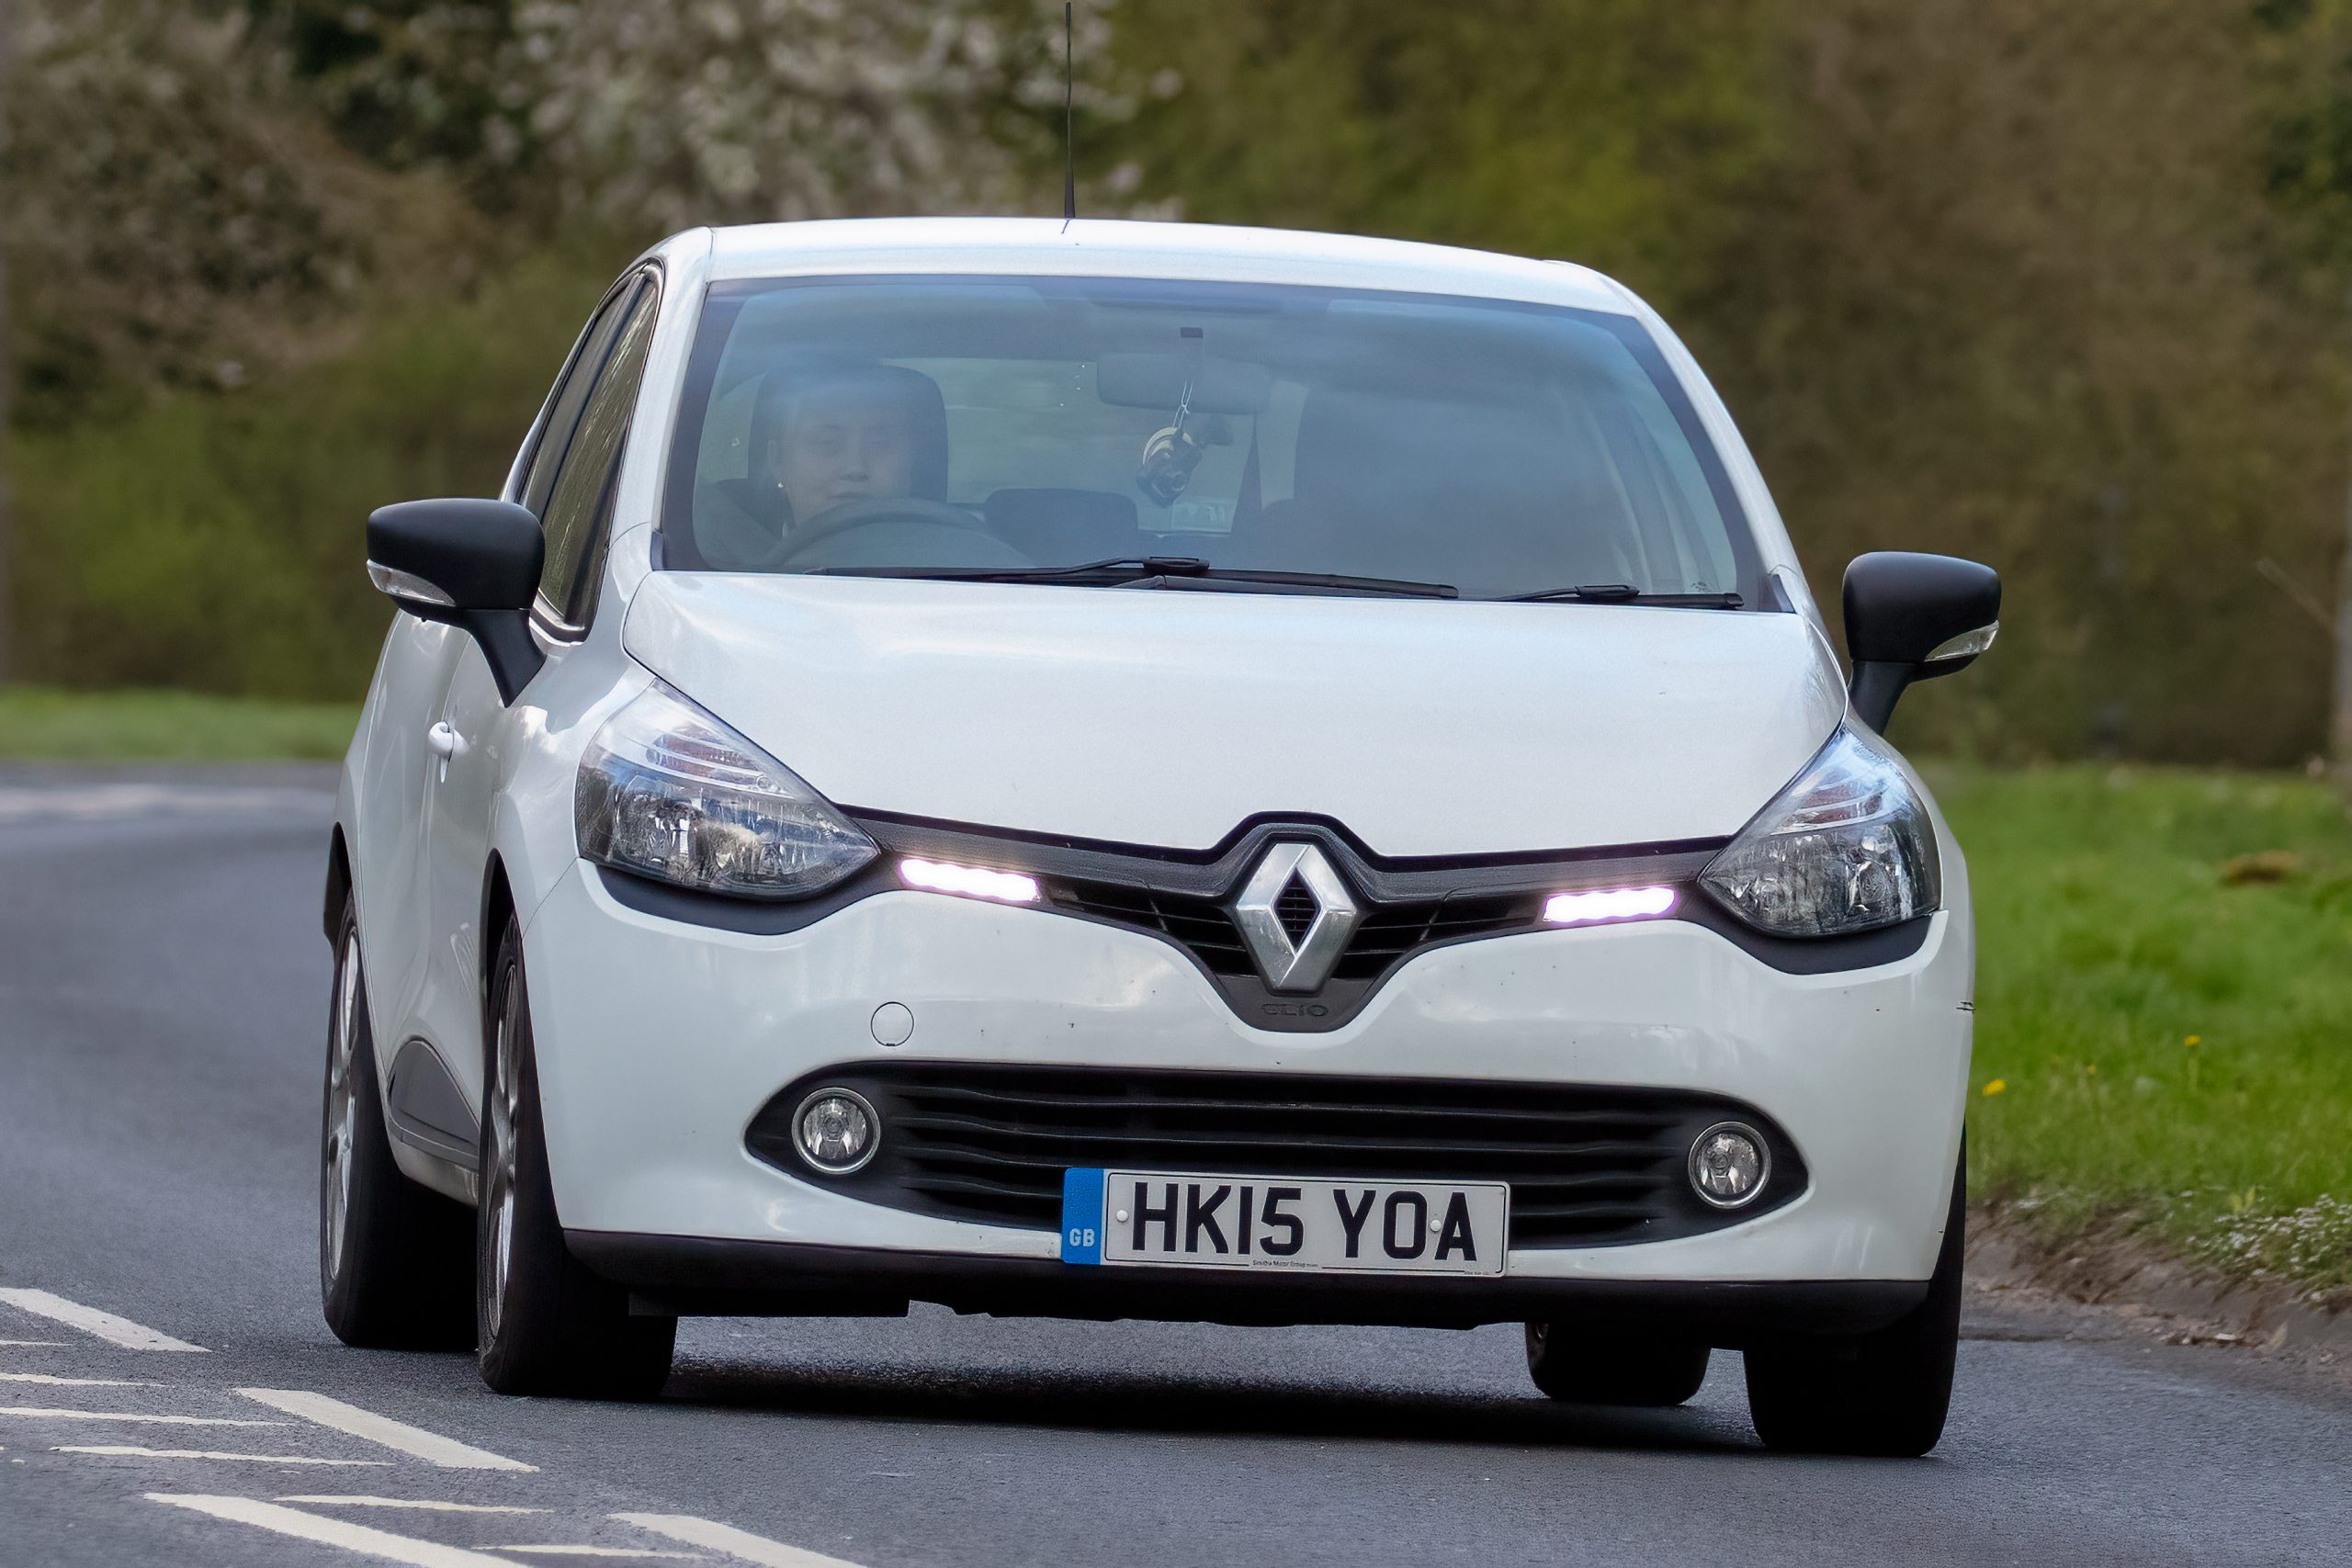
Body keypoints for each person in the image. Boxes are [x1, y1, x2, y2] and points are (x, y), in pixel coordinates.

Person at [695, 358, 950, 567]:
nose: (855, 468)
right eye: (826, 442)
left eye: (879, 443)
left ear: (913, 460)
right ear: (777, 461)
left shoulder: (966, 567)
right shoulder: (709, 570)